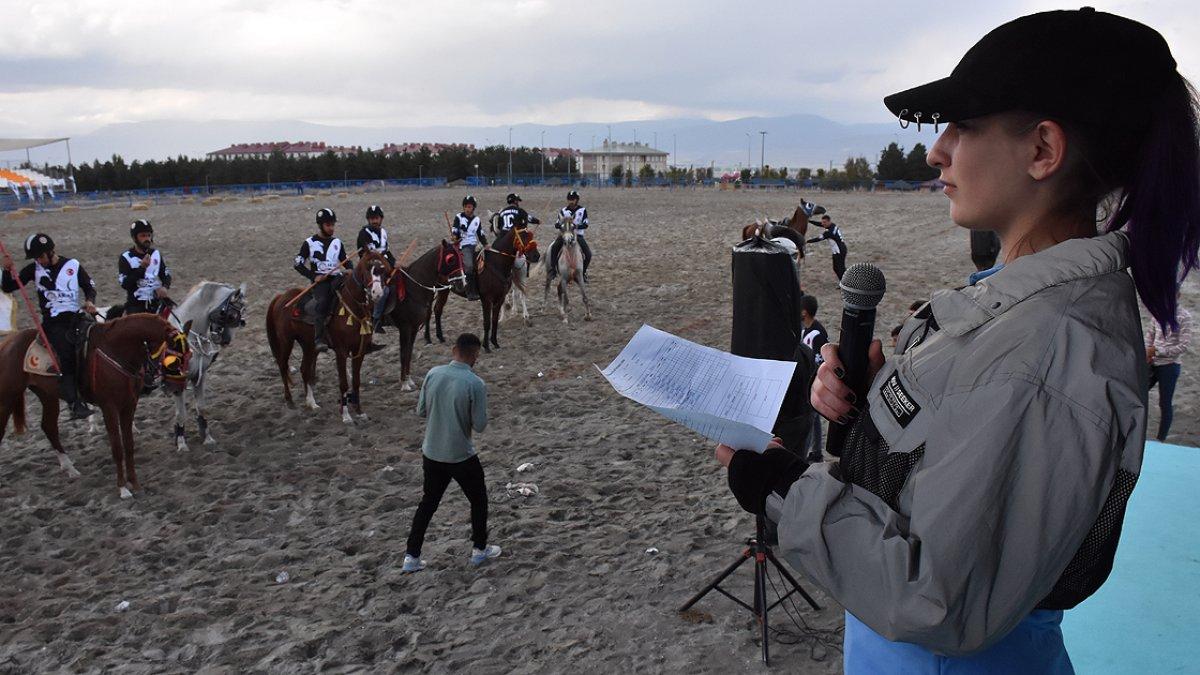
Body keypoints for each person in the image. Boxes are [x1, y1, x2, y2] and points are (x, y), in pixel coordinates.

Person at [716, 8, 1199, 672]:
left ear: (1042, 151)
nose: (935, 151)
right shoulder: (1013, 298)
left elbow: (934, 596)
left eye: (963, 126)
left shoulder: (1045, 350)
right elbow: (954, 467)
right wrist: (866, 414)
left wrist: (775, 483)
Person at [402, 333, 500, 573]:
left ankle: (411, 556)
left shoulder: (433, 373)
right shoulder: (475, 383)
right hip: (460, 454)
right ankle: (479, 549)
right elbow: (479, 425)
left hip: (432, 451)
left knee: (428, 503)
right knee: (478, 500)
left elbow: (421, 411)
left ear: (454, 350)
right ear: (475, 355)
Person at [2, 233, 99, 419]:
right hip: (54, 323)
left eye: (40, 256)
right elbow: (9, 286)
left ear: (50, 251)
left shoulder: (73, 265)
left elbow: (89, 286)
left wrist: (89, 301)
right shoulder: (33, 270)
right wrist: (7, 270)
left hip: (77, 317)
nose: (39, 261)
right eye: (36, 258)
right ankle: (74, 402)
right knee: (67, 352)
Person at [293, 208, 346, 352]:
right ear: (321, 225)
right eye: (328, 225)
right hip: (320, 282)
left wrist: (350, 268)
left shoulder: (337, 242)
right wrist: (313, 276)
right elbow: (297, 263)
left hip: (337, 277)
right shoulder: (309, 243)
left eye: (333, 225)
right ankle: (319, 339)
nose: (331, 228)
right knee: (323, 303)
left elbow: (345, 261)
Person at [1146, 300, 1192, 441]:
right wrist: (1147, 351)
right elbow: (1150, 334)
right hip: (1152, 362)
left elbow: (1183, 345)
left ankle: (1161, 439)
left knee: (1165, 403)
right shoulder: (1157, 312)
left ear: (1177, 295)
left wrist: (1158, 351)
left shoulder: (1184, 316)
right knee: (1138, 393)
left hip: (1169, 365)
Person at [117, 219, 172, 315]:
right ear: (134, 238)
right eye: (143, 236)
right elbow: (125, 284)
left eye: (148, 235)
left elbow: (166, 274)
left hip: (157, 301)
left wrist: (165, 287)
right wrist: (142, 268)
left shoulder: (156, 254)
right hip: (137, 304)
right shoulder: (126, 257)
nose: (147, 238)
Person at [356, 205, 395, 334]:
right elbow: (364, 256)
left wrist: (395, 264)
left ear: (381, 219)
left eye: (376, 218)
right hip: (370, 266)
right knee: (384, 290)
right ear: (368, 219)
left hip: (383, 264)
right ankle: (376, 319)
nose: (374, 221)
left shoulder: (383, 232)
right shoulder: (363, 233)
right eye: (372, 218)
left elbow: (386, 251)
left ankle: (390, 314)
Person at [799, 294, 828, 463]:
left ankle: (812, 452)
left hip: (814, 380)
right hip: (808, 378)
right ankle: (816, 451)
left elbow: (820, 359)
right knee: (814, 418)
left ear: (804, 312)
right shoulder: (806, 329)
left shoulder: (817, 333)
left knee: (811, 417)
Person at [549, 190, 591, 281]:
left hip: (578, 236)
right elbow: (557, 223)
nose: (571, 201)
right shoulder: (563, 211)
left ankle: (582, 273)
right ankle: (553, 270)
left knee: (588, 254)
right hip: (564, 234)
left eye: (573, 199)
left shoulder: (582, 210)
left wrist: (576, 226)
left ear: (577, 200)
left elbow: (586, 224)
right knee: (554, 247)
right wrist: (560, 226)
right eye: (569, 199)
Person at [450, 196, 482, 301]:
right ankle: (470, 291)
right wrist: (455, 237)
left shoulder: (477, 219)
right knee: (469, 266)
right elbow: (455, 230)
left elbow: (480, 234)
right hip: (464, 245)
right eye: (466, 207)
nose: (468, 209)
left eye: (470, 207)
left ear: (473, 208)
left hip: (475, 245)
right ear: (464, 207)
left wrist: (486, 244)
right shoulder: (458, 217)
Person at [806, 214, 848, 280]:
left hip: (839, 251)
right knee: (837, 268)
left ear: (829, 221)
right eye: (822, 222)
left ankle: (846, 283)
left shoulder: (829, 232)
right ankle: (844, 282)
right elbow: (820, 224)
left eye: (824, 222)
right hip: (838, 250)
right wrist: (809, 221)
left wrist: (807, 241)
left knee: (840, 268)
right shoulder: (832, 225)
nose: (823, 224)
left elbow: (818, 239)